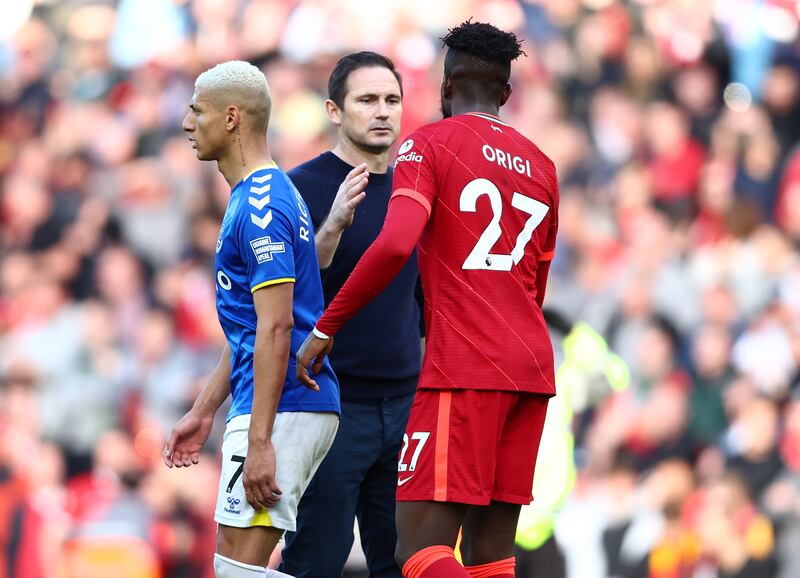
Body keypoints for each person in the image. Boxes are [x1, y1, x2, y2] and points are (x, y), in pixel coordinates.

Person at [296, 21, 559, 578]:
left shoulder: (429, 144)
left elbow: (394, 246)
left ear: (444, 87)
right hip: (530, 369)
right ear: (505, 93)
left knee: (417, 551)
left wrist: (326, 327)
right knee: (492, 555)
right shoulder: (542, 165)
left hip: (464, 368)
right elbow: (536, 283)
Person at [162, 60, 340, 578]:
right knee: (235, 569)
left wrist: (261, 441)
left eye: (198, 110)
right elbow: (251, 327)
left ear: (232, 117)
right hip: (272, 404)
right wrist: (204, 410)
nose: (186, 122)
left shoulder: (262, 205)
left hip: (283, 405)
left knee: (239, 572)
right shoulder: (255, 197)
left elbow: (277, 327)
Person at [280, 52, 421, 578]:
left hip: (407, 407)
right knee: (316, 558)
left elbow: (423, 295)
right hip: (333, 408)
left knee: (405, 562)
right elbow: (285, 295)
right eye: (367, 100)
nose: (382, 111)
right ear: (335, 111)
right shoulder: (302, 187)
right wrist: (334, 225)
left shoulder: (418, 184)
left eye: (391, 100)